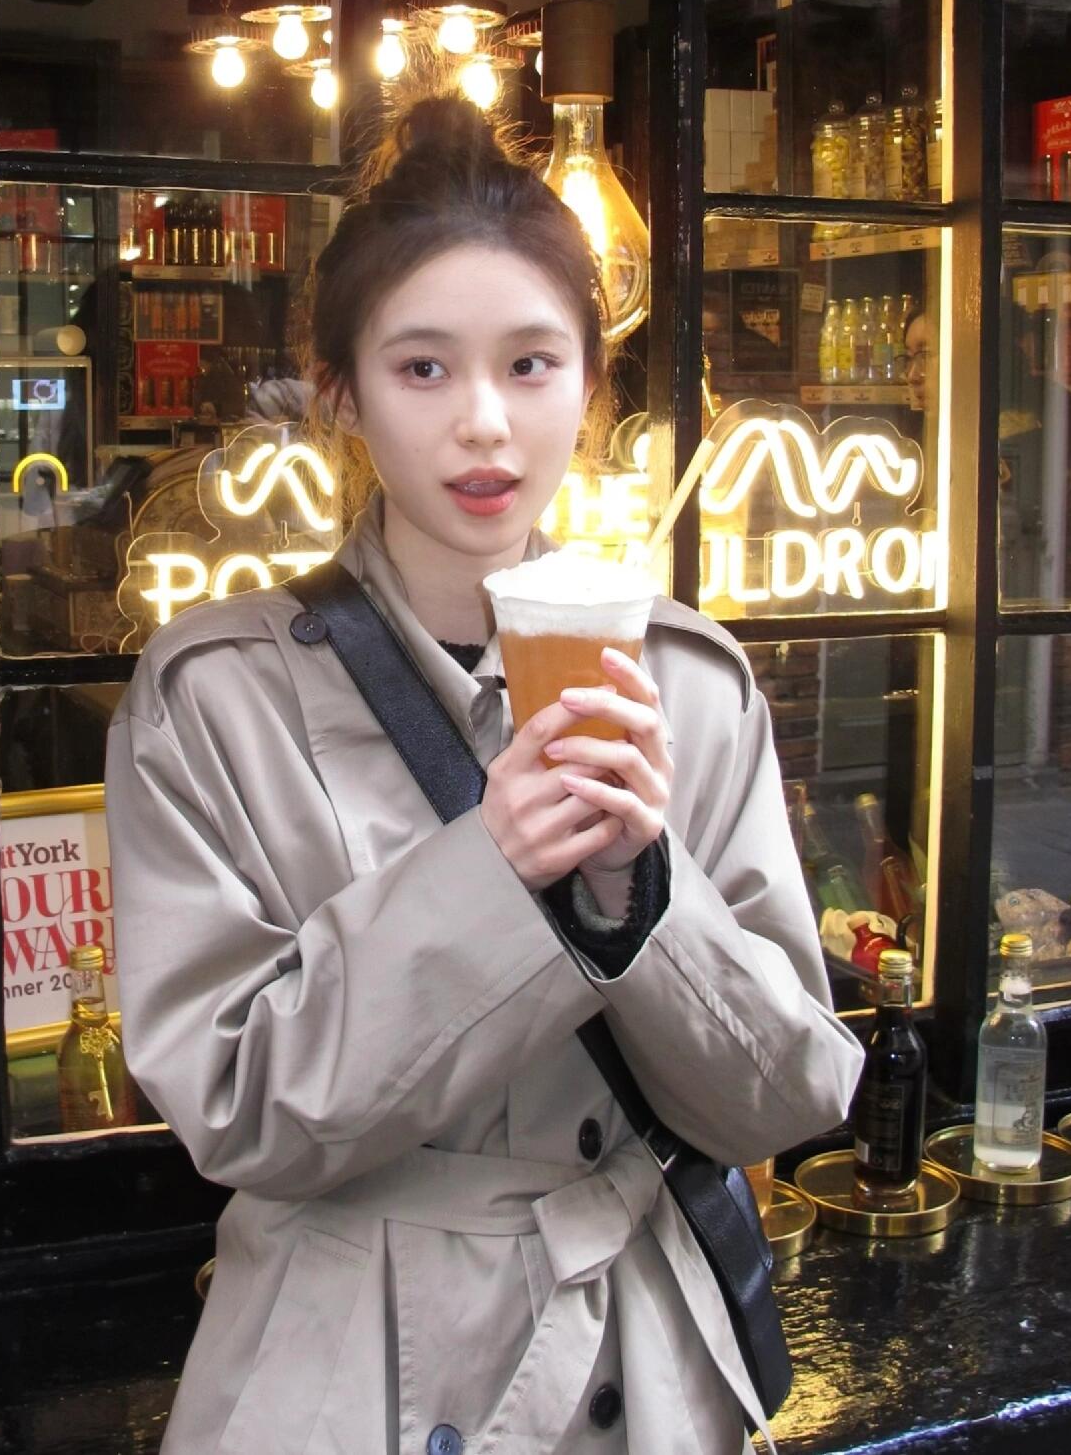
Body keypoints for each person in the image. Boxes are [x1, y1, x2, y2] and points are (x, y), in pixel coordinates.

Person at [105, 99, 863, 1455]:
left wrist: (642, 900)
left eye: (530, 364)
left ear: (591, 383)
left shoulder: (690, 684)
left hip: (646, 1370)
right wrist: (494, 873)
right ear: (339, 391)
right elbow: (237, 1110)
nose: (484, 426)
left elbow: (788, 1097)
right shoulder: (216, 697)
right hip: (352, 1378)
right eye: (422, 368)